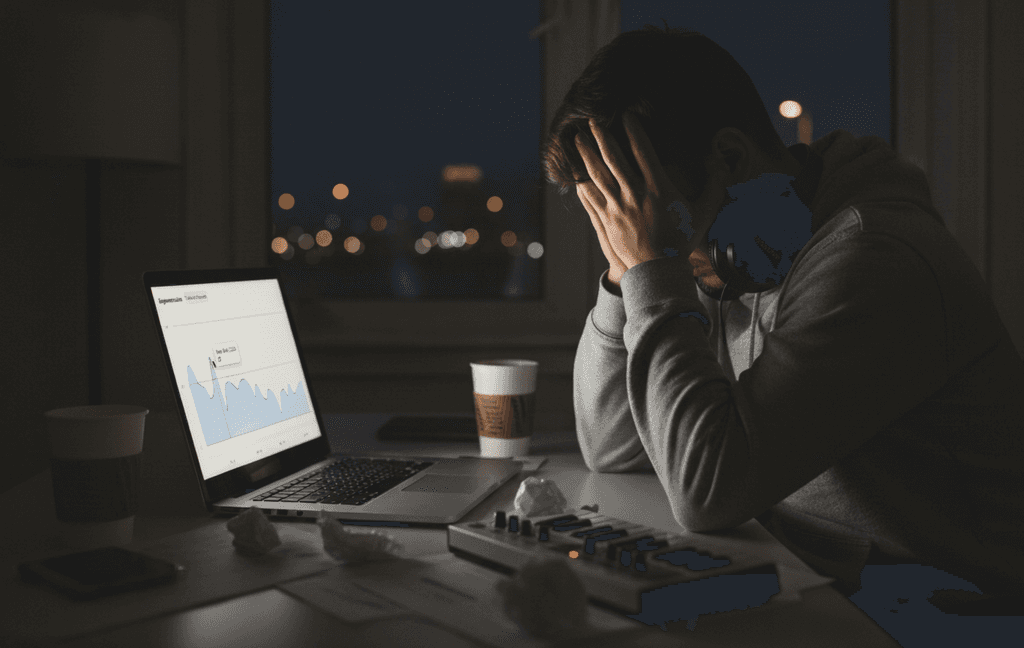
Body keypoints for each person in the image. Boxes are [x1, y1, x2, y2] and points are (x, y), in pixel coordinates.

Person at [542, 24, 1024, 603]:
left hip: (943, 612)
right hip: (813, 576)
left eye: (655, 225)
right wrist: (627, 277)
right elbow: (613, 449)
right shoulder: (717, 241)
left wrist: (656, 269)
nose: (658, 250)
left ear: (729, 157)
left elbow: (707, 492)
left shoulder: (876, 258)